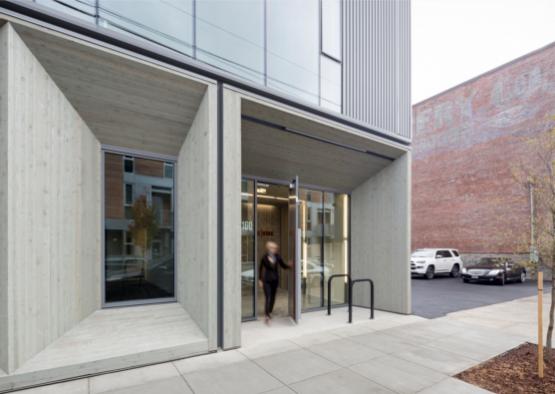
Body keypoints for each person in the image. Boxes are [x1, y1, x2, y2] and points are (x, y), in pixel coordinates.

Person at [258, 241, 290, 324]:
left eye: (275, 248)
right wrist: (260, 279)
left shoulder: (277, 256)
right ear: (269, 248)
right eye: (272, 248)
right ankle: (267, 314)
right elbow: (260, 268)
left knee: (273, 297)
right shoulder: (264, 257)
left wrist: (290, 266)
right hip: (266, 280)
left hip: (275, 280)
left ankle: (269, 311)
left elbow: (283, 265)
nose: (274, 249)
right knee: (268, 296)